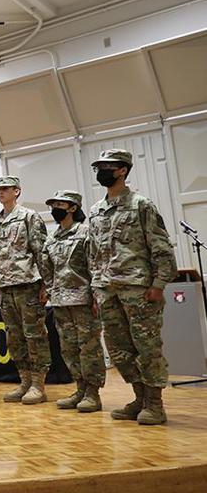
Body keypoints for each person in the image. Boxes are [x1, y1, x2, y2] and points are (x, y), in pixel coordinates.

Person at [88, 149, 177, 425]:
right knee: (119, 349)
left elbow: (161, 247)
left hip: (138, 290)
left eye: (108, 167)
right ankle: (139, 397)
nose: (102, 172)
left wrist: (159, 284)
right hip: (107, 290)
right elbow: (93, 253)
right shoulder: (96, 210)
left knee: (147, 347)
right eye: (99, 167)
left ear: (122, 170)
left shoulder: (141, 205)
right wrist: (96, 288)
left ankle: (155, 404)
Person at [40, 190, 105, 413]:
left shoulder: (86, 233)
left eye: (60, 204)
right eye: (53, 204)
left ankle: (93, 393)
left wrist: (97, 295)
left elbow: (96, 265)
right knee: (68, 348)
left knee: (89, 348)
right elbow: (47, 268)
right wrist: (49, 290)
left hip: (83, 300)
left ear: (73, 208)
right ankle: (80, 388)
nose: (55, 208)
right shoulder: (52, 238)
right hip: (60, 301)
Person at [0, 175, 50, 405]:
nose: (0, 193)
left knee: (35, 336)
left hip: (28, 285)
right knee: (14, 338)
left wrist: (46, 283)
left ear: (17, 191)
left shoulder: (28, 217)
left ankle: (38, 384)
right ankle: (24, 381)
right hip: (6, 287)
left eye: (5, 189)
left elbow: (40, 252)